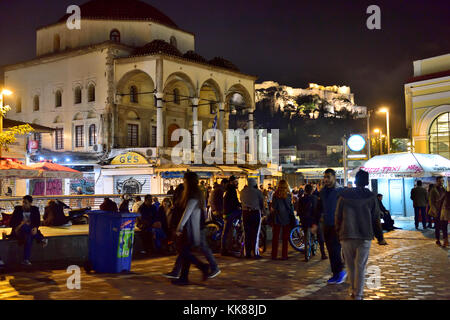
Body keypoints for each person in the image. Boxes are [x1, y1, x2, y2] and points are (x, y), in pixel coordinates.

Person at [335, 170, 387, 300]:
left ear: (355, 181)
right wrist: (380, 237)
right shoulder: (371, 196)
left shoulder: (344, 195)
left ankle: (352, 290)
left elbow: (338, 216)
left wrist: (338, 231)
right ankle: (358, 294)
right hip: (364, 235)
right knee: (360, 266)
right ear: (367, 181)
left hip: (346, 234)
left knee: (350, 265)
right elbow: (376, 218)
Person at [171, 171, 210, 285]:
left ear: (188, 182)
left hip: (189, 229)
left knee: (184, 252)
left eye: (185, 180)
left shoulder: (193, 196)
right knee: (185, 252)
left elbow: (186, 213)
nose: (184, 182)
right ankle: (184, 277)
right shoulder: (197, 195)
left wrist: (179, 227)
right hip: (191, 228)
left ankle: (202, 267)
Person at [313, 168, 347, 284]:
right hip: (327, 225)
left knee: (336, 249)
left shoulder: (340, 191)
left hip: (338, 225)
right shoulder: (322, 192)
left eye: (328, 177)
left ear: (334, 177)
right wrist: (315, 223)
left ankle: (341, 272)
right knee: (331, 251)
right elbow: (319, 209)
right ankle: (336, 273)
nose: (326, 179)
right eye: (325, 177)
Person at [9, 195, 48, 265]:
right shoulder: (18, 210)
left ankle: (25, 260)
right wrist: (21, 224)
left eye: (26, 203)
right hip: (18, 230)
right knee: (24, 226)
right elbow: (11, 223)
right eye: (23, 202)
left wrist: (35, 228)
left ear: (30, 203)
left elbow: (37, 222)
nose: (23, 204)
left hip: (30, 231)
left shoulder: (35, 210)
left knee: (28, 237)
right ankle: (41, 239)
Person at [297, 184, 327, 261]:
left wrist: (301, 219)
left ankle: (306, 254)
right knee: (320, 237)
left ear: (305, 191)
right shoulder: (316, 198)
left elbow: (299, 211)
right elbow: (320, 210)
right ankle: (323, 253)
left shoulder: (301, 199)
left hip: (305, 221)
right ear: (312, 190)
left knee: (306, 236)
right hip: (315, 221)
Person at [240, 178, 265, 259]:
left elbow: (241, 200)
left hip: (245, 213)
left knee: (246, 233)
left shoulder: (242, 191)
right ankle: (255, 253)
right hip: (255, 213)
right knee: (255, 234)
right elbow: (261, 203)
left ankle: (247, 253)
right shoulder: (258, 192)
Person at [270, 180, 295, 260]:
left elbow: (274, 206)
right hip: (286, 218)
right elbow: (290, 207)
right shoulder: (288, 195)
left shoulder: (275, 195)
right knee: (285, 238)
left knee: (275, 237)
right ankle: (284, 255)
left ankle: (274, 255)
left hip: (277, 218)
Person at [221, 175, 241, 256]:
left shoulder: (228, 190)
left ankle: (224, 248)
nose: (237, 183)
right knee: (228, 231)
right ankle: (227, 248)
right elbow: (234, 202)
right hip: (230, 213)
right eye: (235, 182)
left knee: (226, 231)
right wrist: (240, 205)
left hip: (226, 212)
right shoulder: (231, 190)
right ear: (231, 182)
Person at [429, 177, 447, 247]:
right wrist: (434, 211)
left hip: (444, 211)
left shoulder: (444, 189)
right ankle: (438, 240)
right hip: (436, 211)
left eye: (442, 181)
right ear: (436, 181)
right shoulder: (433, 190)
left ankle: (445, 241)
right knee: (437, 227)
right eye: (439, 181)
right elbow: (431, 202)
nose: (441, 182)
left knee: (445, 226)